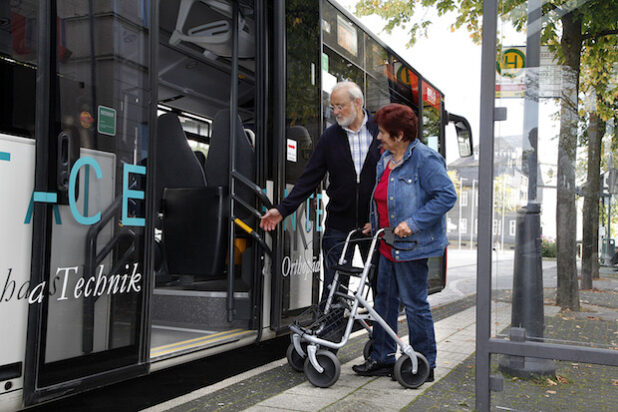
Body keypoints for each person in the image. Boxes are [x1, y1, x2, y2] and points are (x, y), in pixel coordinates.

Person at [352, 103, 457, 383]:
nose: (378, 137)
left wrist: (413, 223)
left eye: (384, 133)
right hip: (386, 243)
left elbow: (446, 196)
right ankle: (383, 357)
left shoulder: (425, 159)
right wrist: (374, 225)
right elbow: (385, 200)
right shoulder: (384, 160)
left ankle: (423, 363)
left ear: (399, 135)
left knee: (414, 304)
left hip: (412, 247)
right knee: (383, 302)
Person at [260, 81, 381, 300]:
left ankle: (382, 334)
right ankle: (332, 334)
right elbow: (309, 178)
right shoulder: (330, 137)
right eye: (333, 106)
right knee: (334, 288)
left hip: (373, 225)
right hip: (338, 225)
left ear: (358, 103)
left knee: (381, 284)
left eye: (340, 106)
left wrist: (382, 219)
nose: (335, 112)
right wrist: (282, 210)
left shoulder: (381, 133)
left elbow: (394, 182)